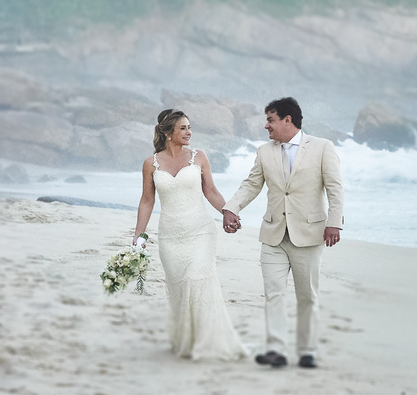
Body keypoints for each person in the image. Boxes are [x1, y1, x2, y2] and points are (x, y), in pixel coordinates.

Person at [221, 97, 344, 369]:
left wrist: (334, 222)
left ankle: (307, 350)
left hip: (310, 234)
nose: (266, 126)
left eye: (270, 120)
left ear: (288, 120)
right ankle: (276, 349)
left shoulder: (323, 148)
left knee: (307, 296)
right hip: (273, 235)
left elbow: (335, 188)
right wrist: (231, 208)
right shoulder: (264, 151)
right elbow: (251, 184)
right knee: (273, 294)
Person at [132, 109, 247, 361]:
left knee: (197, 279)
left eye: (189, 127)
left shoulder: (199, 157)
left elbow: (212, 192)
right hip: (170, 237)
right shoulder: (151, 164)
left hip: (201, 231)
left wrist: (228, 212)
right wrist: (139, 236)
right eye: (182, 128)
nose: (188, 132)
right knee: (180, 288)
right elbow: (147, 201)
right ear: (167, 133)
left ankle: (208, 342)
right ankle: (189, 340)